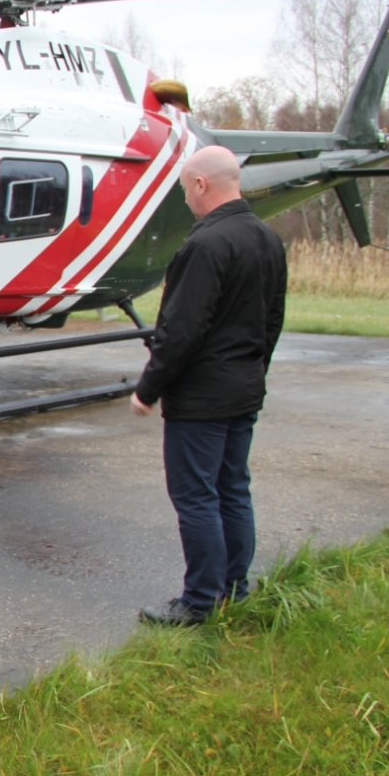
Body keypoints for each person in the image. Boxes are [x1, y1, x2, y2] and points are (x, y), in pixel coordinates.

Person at [132, 144, 287, 625]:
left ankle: (199, 602)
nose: (186, 199)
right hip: (244, 387)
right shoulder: (267, 238)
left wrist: (149, 388)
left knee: (197, 496)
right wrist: (254, 370)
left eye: (185, 189)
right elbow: (273, 319)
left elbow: (181, 328)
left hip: (201, 398)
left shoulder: (205, 245)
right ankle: (233, 589)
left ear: (201, 184)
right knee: (233, 489)